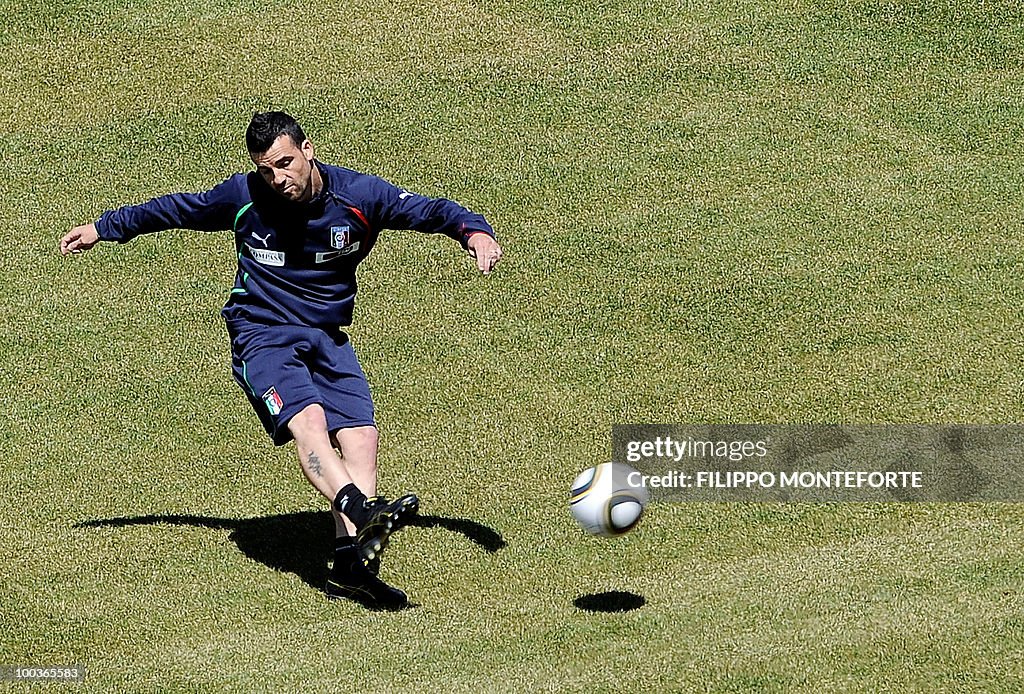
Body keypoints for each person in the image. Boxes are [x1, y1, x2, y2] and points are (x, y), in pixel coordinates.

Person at [60, 111, 503, 610]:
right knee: (308, 421)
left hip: (326, 336)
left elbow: (431, 210)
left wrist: (474, 232)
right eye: (267, 169)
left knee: (361, 435)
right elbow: (175, 209)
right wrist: (104, 228)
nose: (278, 179)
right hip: (262, 333)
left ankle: (352, 563)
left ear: (308, 149)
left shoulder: (358, 197)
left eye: (285, 164)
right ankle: (361, 509)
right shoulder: (245, 196)